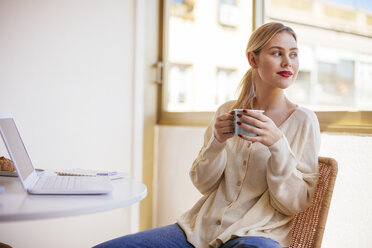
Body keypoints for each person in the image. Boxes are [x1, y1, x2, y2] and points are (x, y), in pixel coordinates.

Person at [94, 22, 320, 248]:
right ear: (253, 60)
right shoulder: (227, 111)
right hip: (198, 231)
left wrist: (277, 144)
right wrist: (217, 142)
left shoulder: (304, 120)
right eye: (277, 53)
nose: (288, 62)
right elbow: (203, 183)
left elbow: (297, 202)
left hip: (256, 236)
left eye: (294, 54)